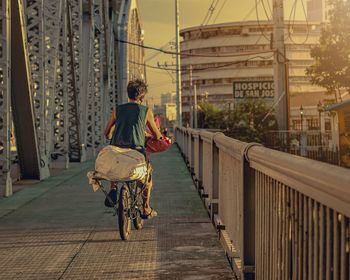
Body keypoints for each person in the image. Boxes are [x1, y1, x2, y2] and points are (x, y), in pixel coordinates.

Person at [104, 79, 162, 219]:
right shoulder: (145, 111)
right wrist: (158, 137)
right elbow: (156, 134)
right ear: (142, 97)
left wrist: (112, 135)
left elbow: (107, 133)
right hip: (136, 151)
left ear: (128, 94)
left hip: (117, 150)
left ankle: (113, 188)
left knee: (115, 162)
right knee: (147, 177)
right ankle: (145, 208)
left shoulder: (117, 110)